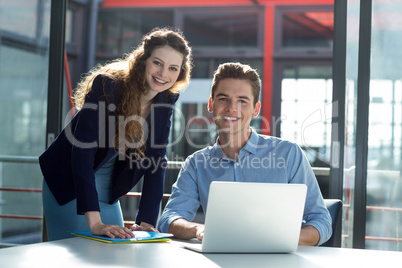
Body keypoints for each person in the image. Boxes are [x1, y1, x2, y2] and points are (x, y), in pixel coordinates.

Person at [40, 27, 192, 241]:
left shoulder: (165, 99)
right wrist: (96, 223)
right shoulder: (108, 86)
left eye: (173, 68)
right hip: (71, 184)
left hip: (109, 191)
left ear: (180, 73)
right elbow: (82, 153)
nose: (163, 74)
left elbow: (157, 159)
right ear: (143, 60)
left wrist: (146, 222)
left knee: (118, 251)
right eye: (157, 63)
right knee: (78, 257)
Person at [158, 62, 332, 246]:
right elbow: (169, 218)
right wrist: (199, 229)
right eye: (223, 99)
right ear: (211, 104)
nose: (232, 108)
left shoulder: (288, 154)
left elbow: (321, 221)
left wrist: (281, 241)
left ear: (256, 109)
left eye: (242, 101)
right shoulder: (197, 163)